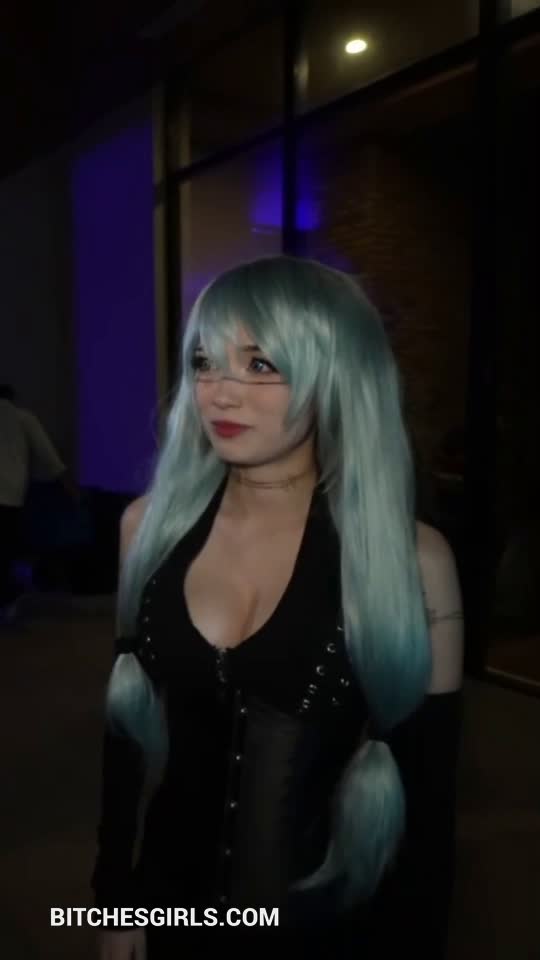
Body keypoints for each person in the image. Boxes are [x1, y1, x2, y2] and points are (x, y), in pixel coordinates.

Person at [92, 256, 464, 959]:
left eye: (260, 364)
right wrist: (114, 906)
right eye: (205, 362)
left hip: (329, 931)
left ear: (336, 375)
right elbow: (127, 745)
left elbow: (428, 807)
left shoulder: (411, 562)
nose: (219, 392)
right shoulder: (148, 529)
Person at [0, 384, 80, 621]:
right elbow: (49, 457)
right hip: (11, 495)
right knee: (6, 551)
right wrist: (72, 490)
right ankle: (7, 602)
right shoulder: (22, 418)